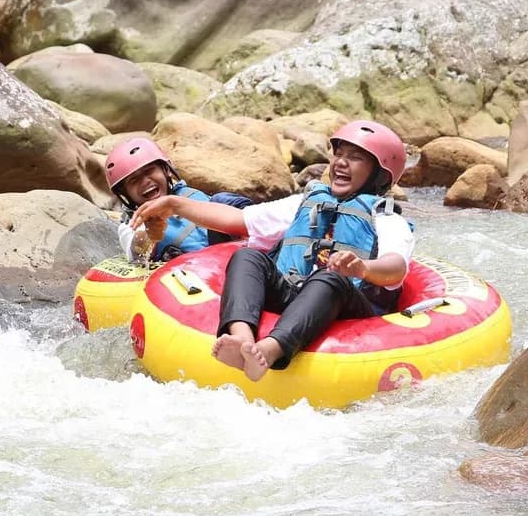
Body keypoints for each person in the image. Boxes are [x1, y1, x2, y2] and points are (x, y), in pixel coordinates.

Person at [134, 120, 414, 382]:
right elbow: (236, 220)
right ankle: (242, 339)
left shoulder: (386, 218)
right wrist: (175, 205)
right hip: (295, 292)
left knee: (330, 279)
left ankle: (268, 351)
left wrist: (361, 268)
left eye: (355, 157)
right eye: (338, 153)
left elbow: (396, 267)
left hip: (346, 305)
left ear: (378, 173)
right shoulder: (303, 203)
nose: (340, 162)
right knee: (247, 256)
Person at [105, 137, 250, 263]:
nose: (145, 182)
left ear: (166, 170)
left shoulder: (189, 195)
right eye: (134, 180)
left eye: (149, 171)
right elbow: (138, 256)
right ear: (125, 193)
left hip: (234, 255)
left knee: (222, 200)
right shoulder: (131, 226)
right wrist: (150, 234)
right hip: (194, 276)